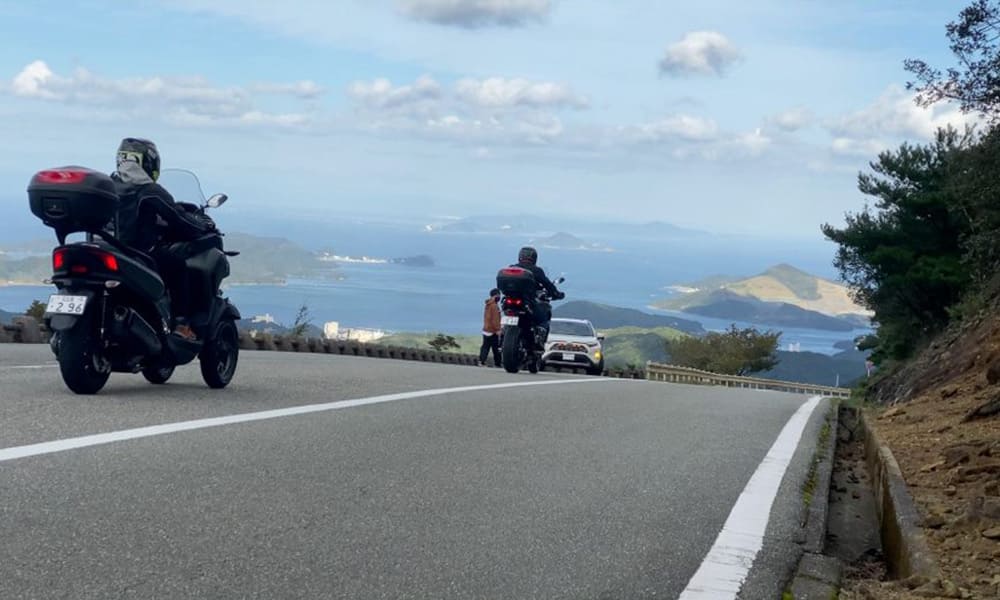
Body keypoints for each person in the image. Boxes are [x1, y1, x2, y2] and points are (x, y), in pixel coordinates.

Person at [110, 138, 210, 339]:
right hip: (137, 255)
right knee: (177, 265)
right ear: (148, 163)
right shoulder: (149, 191)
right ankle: (181, 325)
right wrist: (202, 226)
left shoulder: (108, 184)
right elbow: (180, 220)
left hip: (104, 248)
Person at [514, 246, 564, 342]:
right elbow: (548, 284)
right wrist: (556, 294)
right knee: (543, 318)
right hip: (528, 302)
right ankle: (539, 338)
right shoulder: (536, 270)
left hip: (511, 302)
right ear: (534, 258)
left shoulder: (513, 268)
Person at [479, 288, 502, 367]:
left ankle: (481, 361)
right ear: (496, 295)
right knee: (496, 348)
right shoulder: (494, 306)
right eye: (499, 295)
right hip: (492, 330)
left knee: (485, 347)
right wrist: (498, 329)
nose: (499, 297)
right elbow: (495, 319)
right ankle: (498, 363)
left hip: (486, 329)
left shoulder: (488, 304)